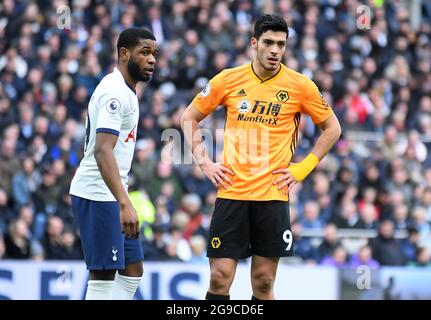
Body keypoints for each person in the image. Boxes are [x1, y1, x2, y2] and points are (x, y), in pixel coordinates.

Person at [180, 14, 341, 300]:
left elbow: (332, 128)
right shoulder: (229, 80)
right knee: (219, 278)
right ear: (255, 43)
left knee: (264, 282)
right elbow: (189, 118)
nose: (275, 50)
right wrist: (204, 162)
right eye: (268, 42)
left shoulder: (300, 85)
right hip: (232, 193)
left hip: (272, 196)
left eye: (281, 44)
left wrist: (301, 169)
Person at [69, 28, 158, 300]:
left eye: (154, 53)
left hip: (112, 193)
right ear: (124, 54)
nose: (152, 59)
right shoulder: (114, 93)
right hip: (98, 194)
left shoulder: (127, 90)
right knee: (104, 276)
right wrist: (124, 203)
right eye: (145, 52)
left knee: (132, 270)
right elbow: (102, 151)